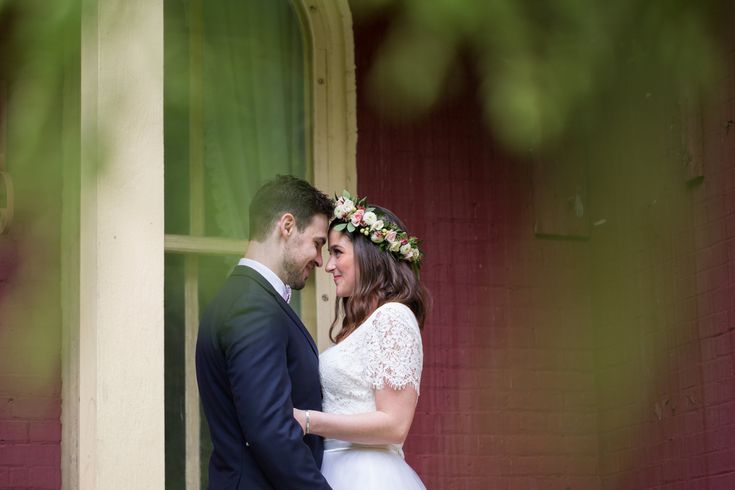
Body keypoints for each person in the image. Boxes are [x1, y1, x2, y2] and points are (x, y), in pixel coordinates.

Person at [196, 175, 334, 489]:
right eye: (317, 243)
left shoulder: (242, 297)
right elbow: (271, 429)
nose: (320, 259)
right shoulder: (253, 307)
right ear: (287, 226)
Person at [293, 191, 429, 489]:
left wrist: (307, 421)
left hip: (369, 476)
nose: (328, 266)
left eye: (337, 252)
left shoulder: (394, 316)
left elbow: (395, 425)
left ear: (369, 256)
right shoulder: (357, 326)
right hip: (334, 470)